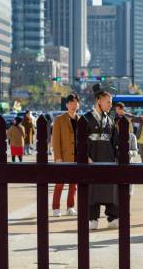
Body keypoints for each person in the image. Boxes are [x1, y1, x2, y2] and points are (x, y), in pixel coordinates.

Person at [84, 84, 120, 230]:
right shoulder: (86, 119)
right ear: (99, 101)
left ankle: (112, 217)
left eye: (111, 102)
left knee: (110, 189)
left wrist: (116, 158)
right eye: (108, 102)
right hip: (92, 160)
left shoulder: (110, 121)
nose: (110, 105)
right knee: (92, 191)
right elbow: (80, 141)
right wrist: (86, 157)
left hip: (108, 160)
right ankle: (92, 218)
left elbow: (115, 141)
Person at [51, 93, 80, 217]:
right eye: (71, 103)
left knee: (74, 185)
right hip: (63, 157)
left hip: (76, 157)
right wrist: (57, 157)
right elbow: (55, 140)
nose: (73, 105)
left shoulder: (80, 119)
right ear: (67, 105)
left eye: (75, 103)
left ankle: (70, 207)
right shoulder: (59, 119)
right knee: (60, 183)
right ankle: (56, 207)